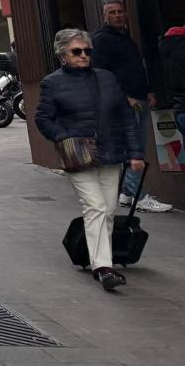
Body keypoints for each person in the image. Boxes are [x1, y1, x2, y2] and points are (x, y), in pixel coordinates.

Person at [35, 28, 145, 292]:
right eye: (77, 51)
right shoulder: (53, 83)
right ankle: (103, 268)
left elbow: (126, 118)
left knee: (108, 209)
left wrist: (136, 154)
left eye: (87, 51)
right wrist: (63, 137)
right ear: (63, 55)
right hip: (78, 156)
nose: (84, 55)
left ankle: (100, 259)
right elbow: (43, 118)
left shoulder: (107, 78)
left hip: (111, 152)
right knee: (95, 206)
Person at [92, 2, 172, 212]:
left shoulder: (125, 38)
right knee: (134, 147)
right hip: (126, 103)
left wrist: (148, 91)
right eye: (112, 12)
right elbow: (100, 74)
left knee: (138, 146)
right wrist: (124, 98)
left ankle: (127, 193)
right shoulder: (102, 40)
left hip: (140, 98)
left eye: (120, 12)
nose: (118, 15)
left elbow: (134, 68)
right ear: (104, 16)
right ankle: (138, 195)